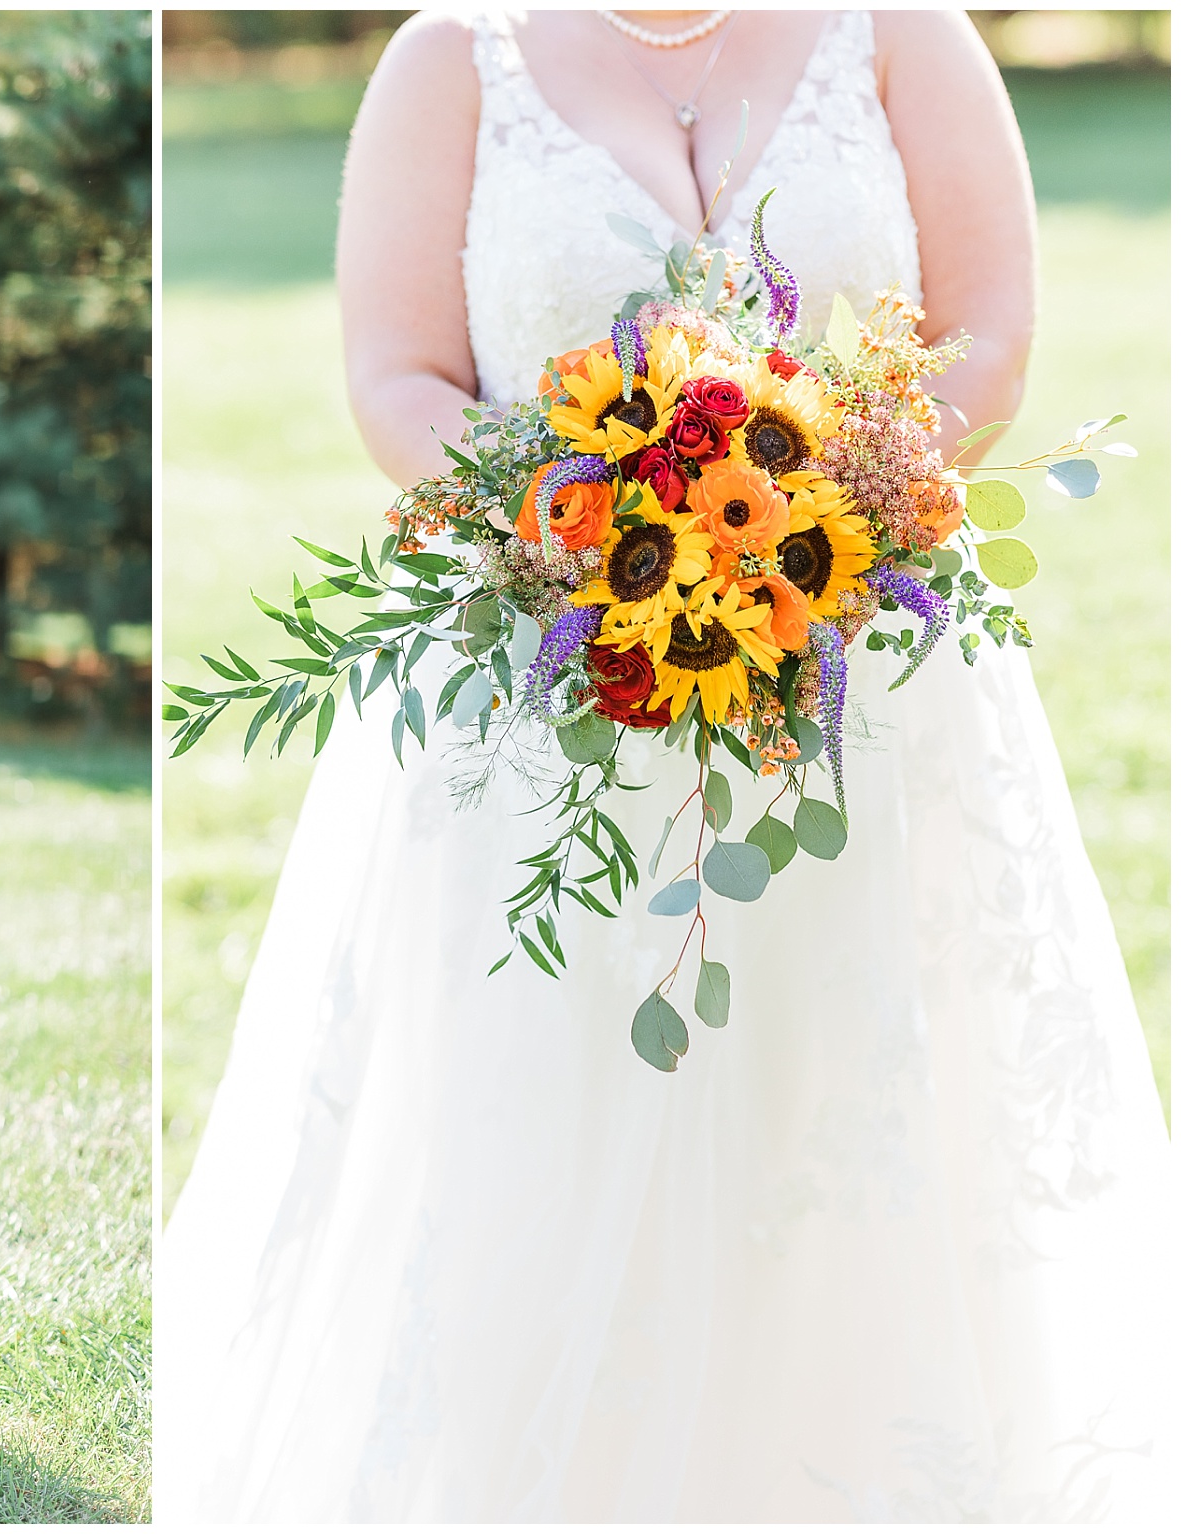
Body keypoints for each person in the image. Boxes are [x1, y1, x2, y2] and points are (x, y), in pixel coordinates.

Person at [157, 10, 1176, 1521]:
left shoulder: (900, 34)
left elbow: (991, 338)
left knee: (854, 1101)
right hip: (546, 681)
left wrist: (819, 519)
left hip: (867, 684)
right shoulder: (454, 59)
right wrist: (603, 539)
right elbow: (400, 378)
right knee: (540, 1141)